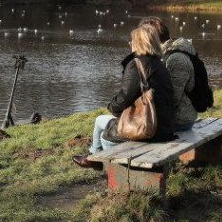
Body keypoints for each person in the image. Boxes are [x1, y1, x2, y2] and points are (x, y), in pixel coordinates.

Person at [73, 25, 176, 169]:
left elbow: (124, 97)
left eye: (132, 40)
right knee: (105, 122)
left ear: (140, 43)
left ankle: (99, 160)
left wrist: (112, 107)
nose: (130, 43)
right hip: (164, 128)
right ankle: (93, 156)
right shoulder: (161, 65)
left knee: (104, 130)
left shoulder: (137, 64)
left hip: (148, 129)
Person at [140, 17, 199, 132]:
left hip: (179, 119)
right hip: (170, 117)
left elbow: (173, 98)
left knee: (114, 132)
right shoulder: (164, 54)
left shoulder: (176, 59)